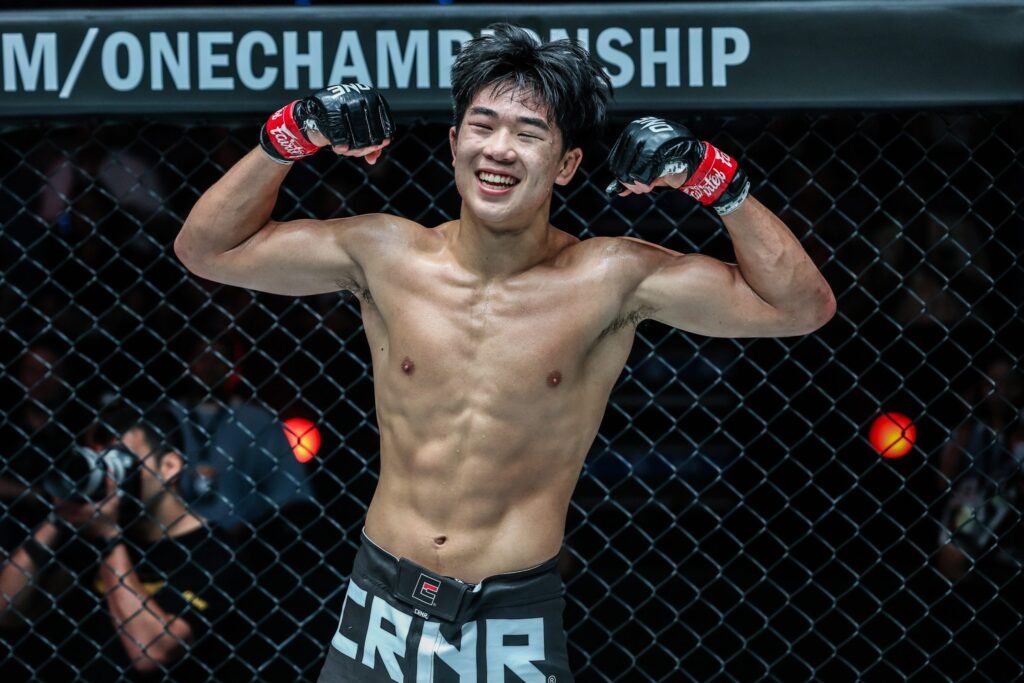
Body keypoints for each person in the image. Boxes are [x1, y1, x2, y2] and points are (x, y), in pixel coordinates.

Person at [175, 24, 835, 681]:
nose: (500, 149)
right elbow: (206, 249)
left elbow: (800, 308)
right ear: (454, 143)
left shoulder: (608, 277)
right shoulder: (386, 254)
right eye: (483, 126)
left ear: (566, 165)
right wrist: (293, 132)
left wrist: (712, 178)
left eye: (529, 133)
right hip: (378, 604)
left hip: (510, 619)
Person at [0, 404, 243, 681]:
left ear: (169, 467)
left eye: (124, 460)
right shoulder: (90, 529)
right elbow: (6, 610)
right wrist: (58, 518)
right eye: (102, 463)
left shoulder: (216, 552)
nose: (111, 478)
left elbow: (152, 653)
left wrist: (109, 538)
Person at [937, 357, 1024, 581]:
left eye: (1007, 382)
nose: (998, 390)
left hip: (1007, 516)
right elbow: (943, 479)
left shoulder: (1018, 437)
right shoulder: (970, 432)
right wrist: (968, 417)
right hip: (970, 512)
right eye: (991, 382)